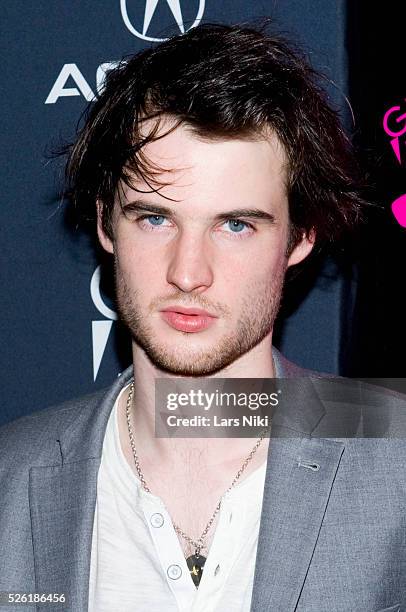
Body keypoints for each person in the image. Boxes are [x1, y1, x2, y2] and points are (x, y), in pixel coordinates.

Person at [0, 23, 405, 612]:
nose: (188, 273)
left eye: (235, 224)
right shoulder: (12, 477)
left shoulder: (396, 453)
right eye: (155, 219)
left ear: (301, 237)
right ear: (105, 223)